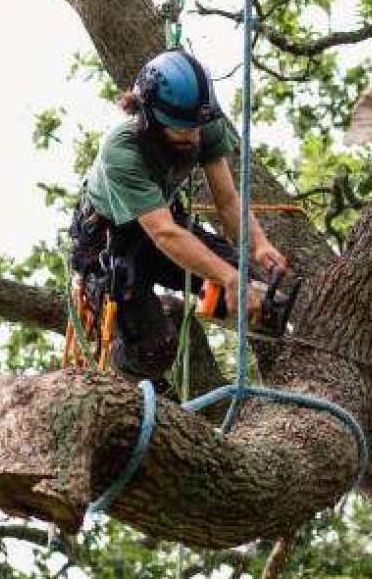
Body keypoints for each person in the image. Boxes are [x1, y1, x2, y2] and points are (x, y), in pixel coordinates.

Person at [69, 49, 288, 381]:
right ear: (148, 118)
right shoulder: (122, 151)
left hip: (164, 222)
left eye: (198, 127)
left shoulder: (202, 122)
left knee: (261, 293)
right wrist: (228, 278)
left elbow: (227, 201)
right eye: (183, 129)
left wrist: (257, 245)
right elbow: (164, 235)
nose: (195, 136)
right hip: (113, 245)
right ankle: (122, 363)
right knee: (154, 349)